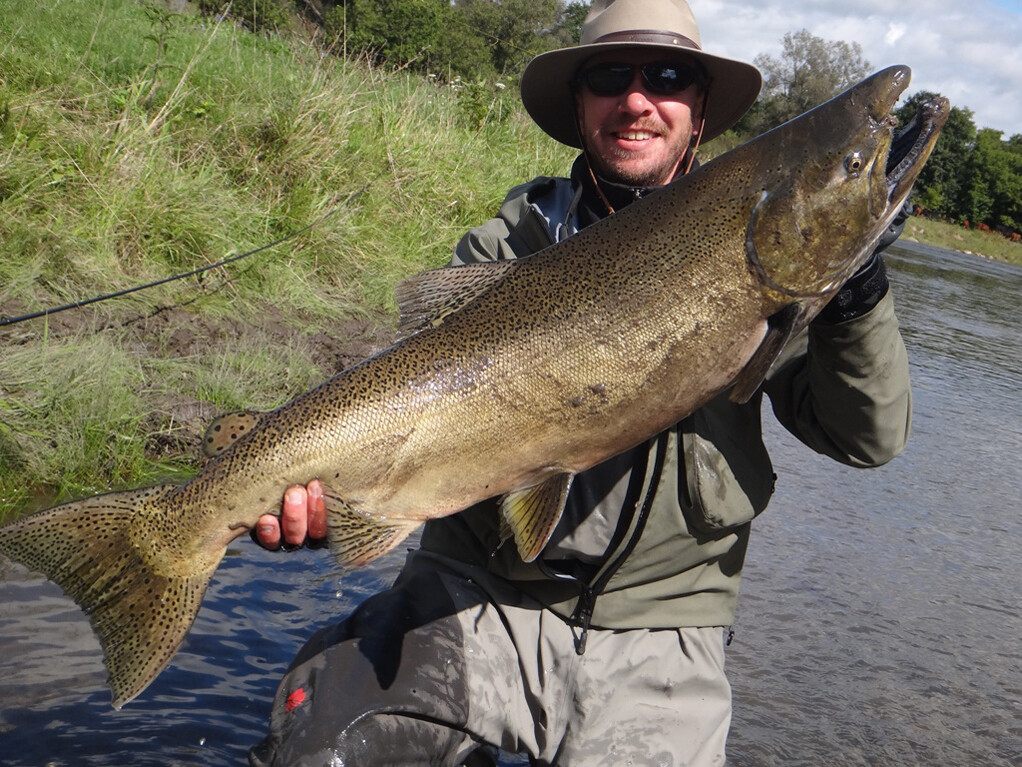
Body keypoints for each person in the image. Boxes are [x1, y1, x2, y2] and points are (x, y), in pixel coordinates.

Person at [248, 1, 912, 764]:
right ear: (579, 103)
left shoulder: (773, 276)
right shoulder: (507, 246)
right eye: (609, 76)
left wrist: (855, 297)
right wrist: (332, 502)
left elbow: (867, 439)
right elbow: (406, 413)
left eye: (667, 76)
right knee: (319, 746)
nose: (636, 99)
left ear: (698, 111)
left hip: (660, 640)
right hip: (475, 597)